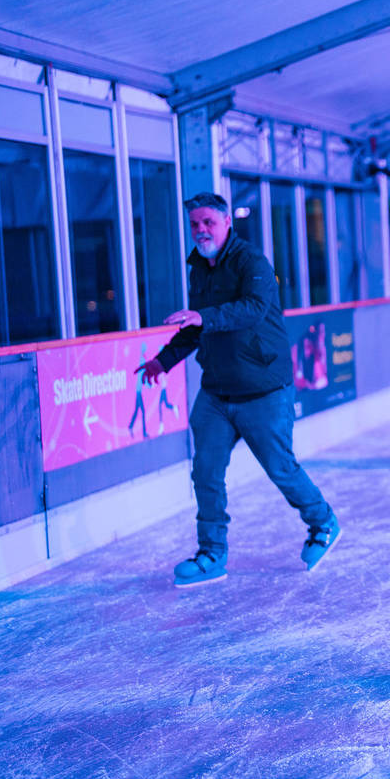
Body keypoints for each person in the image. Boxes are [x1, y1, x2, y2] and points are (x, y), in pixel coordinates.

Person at [136, 192, 341, 587]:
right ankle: (211, 553)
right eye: (194, 223)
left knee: (280, 468)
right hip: (216, 392)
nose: (200, 230)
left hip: (263, 389)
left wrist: (203, 315)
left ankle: (322, 522)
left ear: (227, 222)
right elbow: (197, 325)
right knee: (206, 472)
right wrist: (163, 361)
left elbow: (252, 309)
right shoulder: (199, 269)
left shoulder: (252, 262)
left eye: (208, 222)